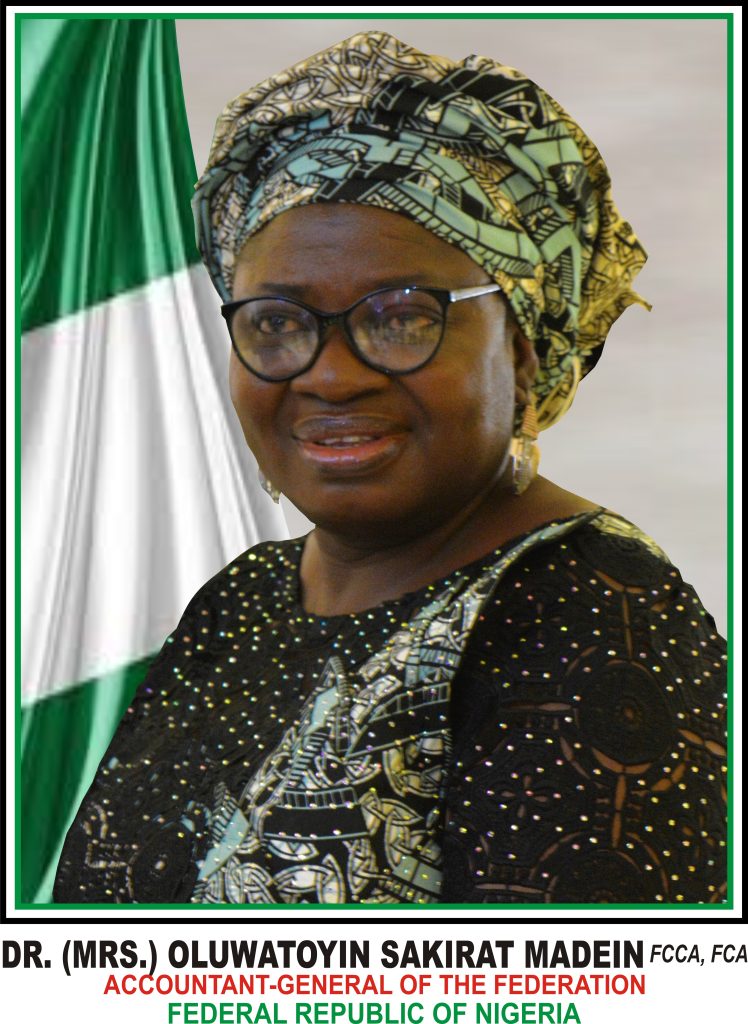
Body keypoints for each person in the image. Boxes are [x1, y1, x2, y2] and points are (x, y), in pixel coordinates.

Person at [54, 30, 727, 905]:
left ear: (522, 351)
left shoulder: (594, 612)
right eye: (276, 322)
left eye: (403, 317)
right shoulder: (240, 601)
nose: (331, 375)